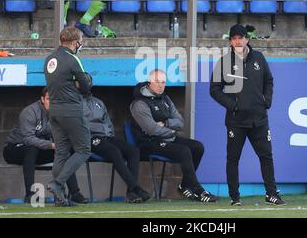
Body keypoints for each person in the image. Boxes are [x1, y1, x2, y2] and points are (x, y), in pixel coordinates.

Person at [210, 24, 285, 206]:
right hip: (236, 121)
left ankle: (271, 194)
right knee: (233, 159)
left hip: (259, 119)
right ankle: (235, 197)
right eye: (233, 38)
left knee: (266, 156)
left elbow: (269, 81)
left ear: (247, 39)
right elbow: (214, 89)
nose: (237, 41)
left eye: (240, 37)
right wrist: (233, 105)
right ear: (230, 41)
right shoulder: (225, 61)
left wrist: (267, 100)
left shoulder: (258, 57)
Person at [130, 69, 218, 202]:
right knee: (183, 151)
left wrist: (165, 123)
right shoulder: (139, 104)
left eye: (163, 82)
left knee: (197, 147)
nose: (160, 85)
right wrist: (171, 131)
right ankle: (198, 190)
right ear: (149, 83)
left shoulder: (165, 99)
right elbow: (152, 129)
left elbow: (180, 122)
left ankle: (185, 185)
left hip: (166, 139)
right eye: (157, 82)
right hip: (148, 142)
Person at [3, 88, 87, 204]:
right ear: (42, 99)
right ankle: (30, 194)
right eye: (49, 99)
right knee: (31, 149)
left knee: (64, 152)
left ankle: (75, 193)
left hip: (37, 150)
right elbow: (28, 139)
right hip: (13, 149)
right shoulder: (30, 112)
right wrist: (51, 145)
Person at [82, 75, 151, 203]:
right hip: (89, 139)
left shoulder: (98, 102)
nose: (85, 86)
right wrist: (99, 129)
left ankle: (131, 193)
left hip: (106, 137)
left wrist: (108, 133)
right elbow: (81, 125)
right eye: (82, 83)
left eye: (88, 83)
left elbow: (107, 122)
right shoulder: (72, 103)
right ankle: (135, 187)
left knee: (133, 151)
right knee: (114, 151)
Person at [44, 27, 92, 206]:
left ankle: (61, 198)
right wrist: (80, 85)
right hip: (71, 110)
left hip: (54, 110)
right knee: (83, 150)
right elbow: (86, 86)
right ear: (75, 42)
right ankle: (57, 184)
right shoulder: (73, 59)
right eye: (80, 42)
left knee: (61, 153)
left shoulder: (49, 59)